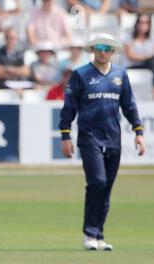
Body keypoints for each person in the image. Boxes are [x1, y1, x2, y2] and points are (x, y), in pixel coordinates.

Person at [59, 33, 146, 251]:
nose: (103, 52)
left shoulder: (120, 74)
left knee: (106, 187)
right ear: (92, 50)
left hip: (113, 137)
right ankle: (89, 233)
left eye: (107, 48)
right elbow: (69, 107)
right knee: (97, 182)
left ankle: (99, 234)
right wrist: (65, 135)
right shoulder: (80, 75)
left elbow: (129, 105)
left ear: (113, 52)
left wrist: (138, 132)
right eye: (99, 47)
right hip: (89, 137)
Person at [122, 14, 154, 84]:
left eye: (146, 22)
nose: (143, 25)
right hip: (132, 66)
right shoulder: (128, 35)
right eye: (141, 22)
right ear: (137, 23)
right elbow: (130, 55)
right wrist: (147, 57)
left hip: (148, 65)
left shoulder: (151, 38)